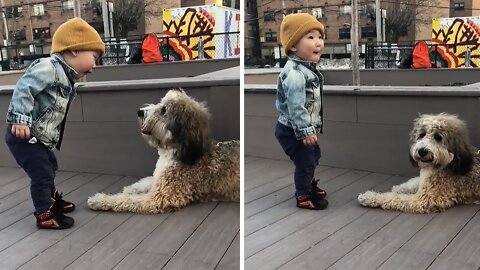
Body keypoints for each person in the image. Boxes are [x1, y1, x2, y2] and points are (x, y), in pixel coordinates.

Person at [4, 17, 105, 229]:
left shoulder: (67, 78)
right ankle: (44, 213)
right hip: (23, 134)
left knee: (50, 166)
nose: (95, 65)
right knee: (41, 171)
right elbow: (24, 87)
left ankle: (51, 200)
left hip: (38, 136)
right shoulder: (49, 67)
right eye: (94, 57)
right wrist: (20, 120)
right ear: (75, 49)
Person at [275, 13, 328, 210]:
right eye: (311, 37)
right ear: (294, 46)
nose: (318, 43)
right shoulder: (296, 74)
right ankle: (303, 195)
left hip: (298, 128)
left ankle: (307, 185)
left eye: (320, 37)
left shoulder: (306, 69)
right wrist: (305, 131)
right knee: (305, 162)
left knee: (313, 156)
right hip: (293, 130)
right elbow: (296, 106)